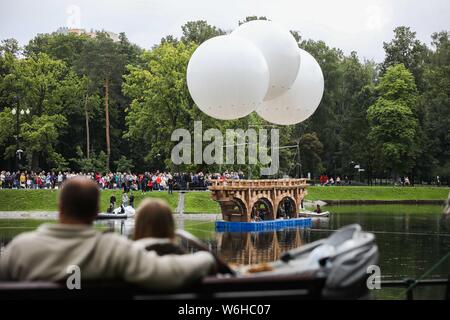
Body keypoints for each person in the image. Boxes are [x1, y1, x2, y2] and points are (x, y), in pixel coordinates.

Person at [0, 177, 215, 288]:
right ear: (96, 212)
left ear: (60, 208)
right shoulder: (113, 250)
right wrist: (205, 257)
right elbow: (169, 273)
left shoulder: (20, 248)